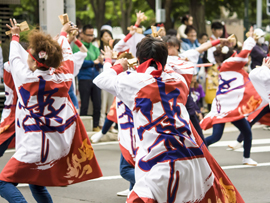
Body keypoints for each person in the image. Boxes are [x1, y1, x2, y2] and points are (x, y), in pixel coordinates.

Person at [94, 36, 245, 203]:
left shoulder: (134, 82)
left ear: (139, 59)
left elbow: (101, 80)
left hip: (159, 161)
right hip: (191, 158)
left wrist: (113, 62)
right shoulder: (180, 80)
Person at [0, 19, 102, 203]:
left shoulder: (25, 79)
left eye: (29, 56)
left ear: (33, 62)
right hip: (58, 144)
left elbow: (14, 58)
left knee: (2, 182)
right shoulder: (64, 78)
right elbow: (66, 56)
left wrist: (15, 35)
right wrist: (63, 34)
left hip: (34, 146)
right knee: (36, 184)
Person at [200, 27, 264, 166]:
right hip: (225, 107)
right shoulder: (228, 64)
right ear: (230, 57)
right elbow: (243, 55)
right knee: (216, 137)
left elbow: (240, 57)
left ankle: (246, 158)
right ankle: (196, 152)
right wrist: (251, 39)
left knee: (247, 132)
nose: (236, 55)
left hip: (231, 107)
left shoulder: (226, 66)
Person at [72, 24, 102, 131]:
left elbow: (99, 61)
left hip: (96, 78)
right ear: (82, 34)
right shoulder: (77, 47)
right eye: (88, 35)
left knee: (97, 103)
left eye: (92, 35)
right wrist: (93, 62)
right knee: (84, 103)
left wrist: (100, 62)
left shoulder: (95, 47)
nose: (90, 37)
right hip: (84, 77)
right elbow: (79, 62)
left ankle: (95, 125)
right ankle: (82, 127)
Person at [99, 26, 115, 126]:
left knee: (111, 102)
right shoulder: (99, 50)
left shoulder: (114, 50)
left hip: (113, 78)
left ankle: (111, 125)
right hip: (103, 78)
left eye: (109, 36)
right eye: (105, 36)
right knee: (103, 102)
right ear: (101, 38)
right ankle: (101, 123)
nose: (108, 38)